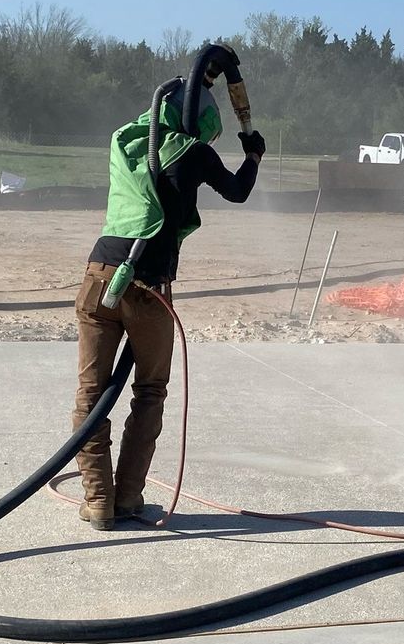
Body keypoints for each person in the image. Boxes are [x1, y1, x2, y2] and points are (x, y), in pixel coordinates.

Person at [73, 74, 264, 529]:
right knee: (149, 391)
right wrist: (253, 152)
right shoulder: (195, 152)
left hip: (100, 278)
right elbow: (238, 190)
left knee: (91, 393)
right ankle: (127, 499)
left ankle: (97, 499)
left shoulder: (125, 140)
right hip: (152, 290)